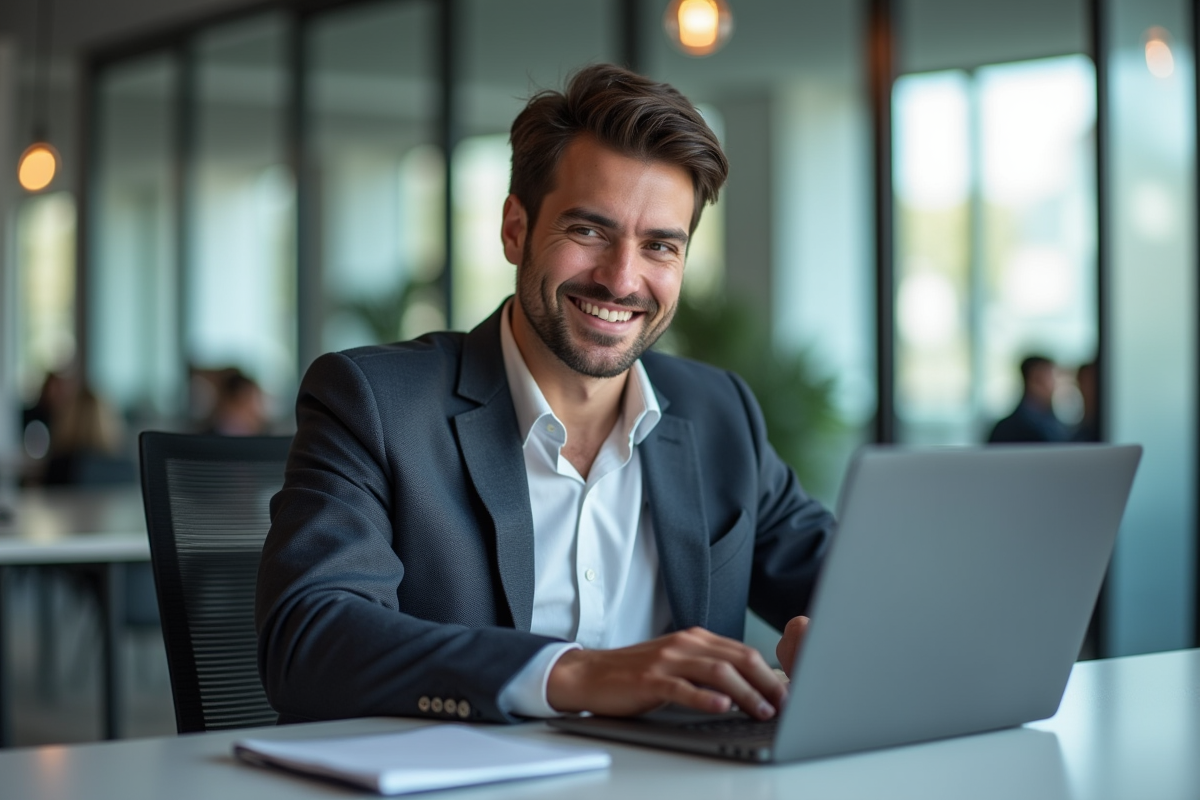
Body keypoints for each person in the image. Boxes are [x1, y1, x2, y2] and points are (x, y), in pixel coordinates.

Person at [256, 64, 834, 727]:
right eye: (588, 231)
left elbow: (863, 584)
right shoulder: (375, 405)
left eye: (659, 247)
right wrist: (579, 673)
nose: (622, 279)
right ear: (514, 229)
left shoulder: (719, 412)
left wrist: (856, 635)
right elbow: (309, 640)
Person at [987, 355, 1069, 444]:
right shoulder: (1006, 430)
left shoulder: (1057, 425)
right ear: (1034, 380)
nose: (1055, 385)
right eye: (1051, 377)